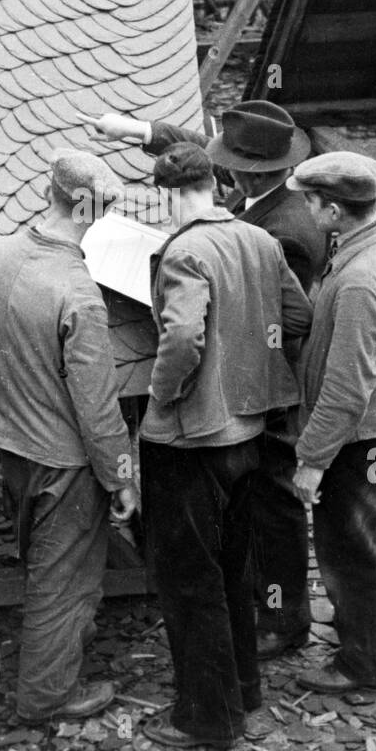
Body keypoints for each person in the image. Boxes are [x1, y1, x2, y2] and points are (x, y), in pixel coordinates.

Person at [90, 102, 325, 659]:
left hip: (258, 386)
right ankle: (250, 605)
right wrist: (140, 131)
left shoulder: (286, 230)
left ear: (246, 172)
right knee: (252, 501)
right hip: (247, 387)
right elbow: (197, 154)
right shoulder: (260, 196)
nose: (221, 172)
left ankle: (283, 617)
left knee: (274, 503)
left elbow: (286, 320)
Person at [138, 143, 314, 751]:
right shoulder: (261, 241)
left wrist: (163, 395)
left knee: (190, 579)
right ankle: (243, 687)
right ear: (213, 183)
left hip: (193, 440)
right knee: (235, 568)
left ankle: (206, 719)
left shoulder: (184, 250)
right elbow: (297, 315)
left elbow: (183, 336)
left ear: (166, 193)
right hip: (252, 431)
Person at [0, 151, 138, 725]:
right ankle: (46, 696)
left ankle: (65, 643)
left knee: (41, 562)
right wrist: (120, 474)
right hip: (63, 461)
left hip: (12, 442)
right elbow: (97, 408)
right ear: (96, 210)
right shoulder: (79, 293)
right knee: (61, 582)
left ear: (51, 191)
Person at [285, 153, 376, 695]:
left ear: (336, 210)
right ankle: (362, 635)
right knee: (367, 536)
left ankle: (366, 664)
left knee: (350, 549)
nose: (305, 208)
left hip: (355, 434)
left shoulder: (361, 281)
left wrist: (312, 461)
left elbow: (346, 390)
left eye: (312, 201)